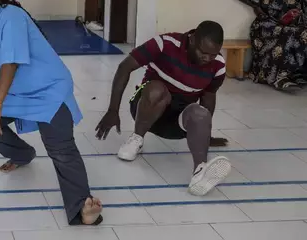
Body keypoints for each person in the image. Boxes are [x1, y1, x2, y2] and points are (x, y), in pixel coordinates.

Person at [0, 0, 103, 226]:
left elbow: (10, 63)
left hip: (48, 90)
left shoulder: (10, 17)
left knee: (61, 149)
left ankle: (82, 206)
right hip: (17, 91)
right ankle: (23, 154)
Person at [95, 21, 232, 196]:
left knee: (199, 113)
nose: (207, 58)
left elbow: (209, 96)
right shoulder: (165, 44)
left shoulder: (218, 65)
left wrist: (203, 133)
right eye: (203, 52)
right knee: (157, 89)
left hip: (178, 121)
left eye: (212, 55)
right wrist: (113, 110)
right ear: (192, 39)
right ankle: (136, 139)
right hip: (145, 109)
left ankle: (200, 172)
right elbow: (124, 67)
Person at [226, 0, 307, 90]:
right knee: (287, 33)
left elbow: (300, 5)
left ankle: (297, 74)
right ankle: (279, 78)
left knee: (302, 32)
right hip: (266, 24)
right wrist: (253, 6)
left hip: (289, 23)